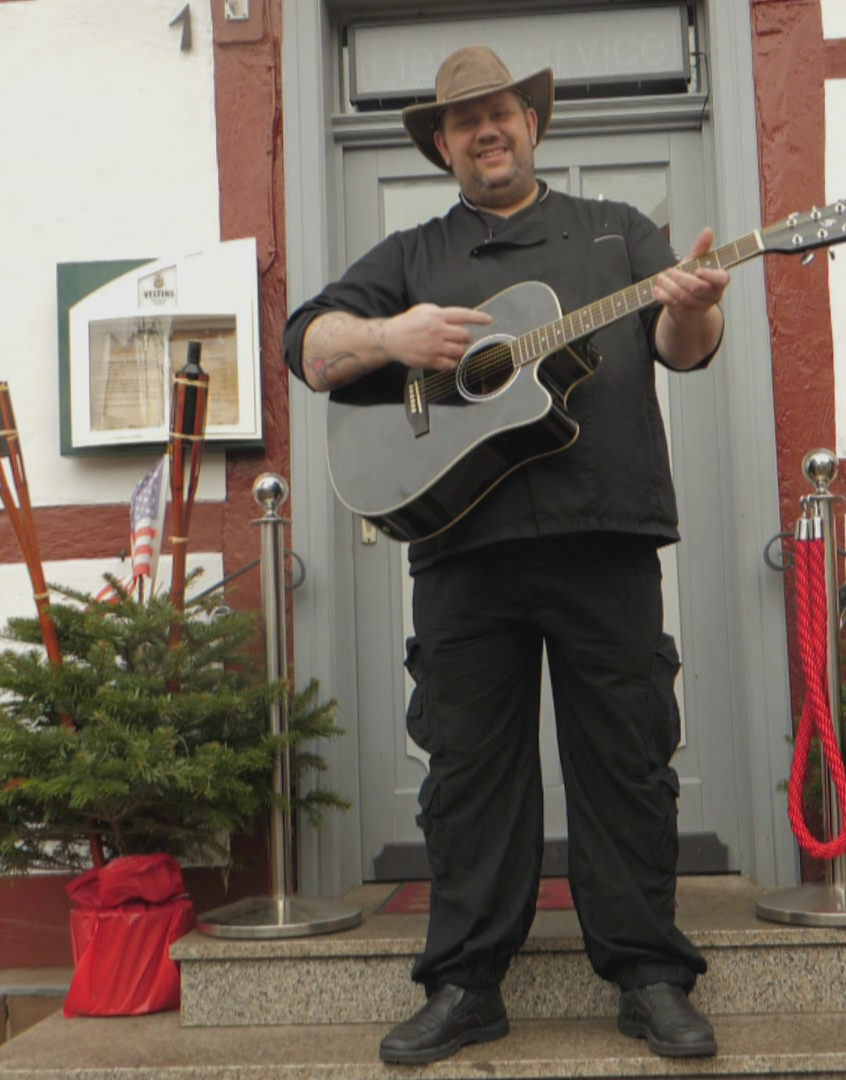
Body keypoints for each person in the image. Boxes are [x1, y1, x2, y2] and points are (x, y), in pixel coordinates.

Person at [283, 46, 730, 1065]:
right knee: (468, 775)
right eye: (464, 120)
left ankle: (650, 974)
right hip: (459, 550)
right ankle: (465, 985)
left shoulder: (619, 233)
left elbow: (682, 348)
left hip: (605, 534)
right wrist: (394, 337)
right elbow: (307, 347)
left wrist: (697, 300)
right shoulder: (411, 256)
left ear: (534, 125)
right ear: (442, 144)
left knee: (626, 765)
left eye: (503, 113)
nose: (487, 130)